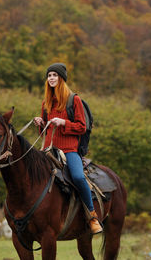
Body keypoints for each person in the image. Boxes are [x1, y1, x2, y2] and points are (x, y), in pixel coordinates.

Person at [33, 63, 103, 234]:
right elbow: (45, 133)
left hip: (69, 150)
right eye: (49, 75)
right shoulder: (46, 103)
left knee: (78, 177)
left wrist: (63, 122)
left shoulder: (74, 100)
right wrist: (41, 124)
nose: (51, 78)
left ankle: (92, 216)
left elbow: (82, 126)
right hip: (49, 150)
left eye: (55, 75)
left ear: (62, 78)